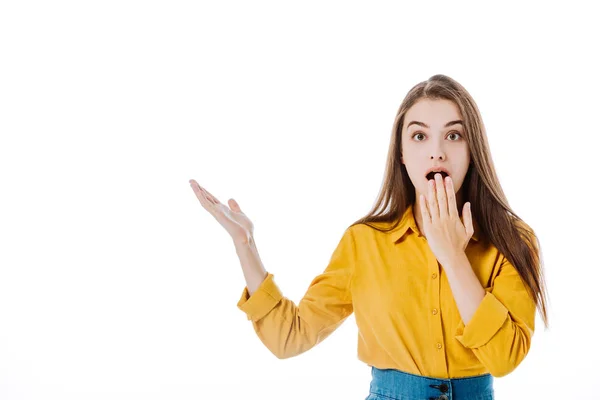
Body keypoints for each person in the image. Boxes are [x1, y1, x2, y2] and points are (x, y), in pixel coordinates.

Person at [189, 74, 550, 400]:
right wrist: (244, 243)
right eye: (420, 136)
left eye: (454, 135)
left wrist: (454, 258)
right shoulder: (364, 242)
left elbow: (505, 359)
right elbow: (290, 338)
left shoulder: (513, 240)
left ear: (472, 152)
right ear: (403, 155)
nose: (437, 151)